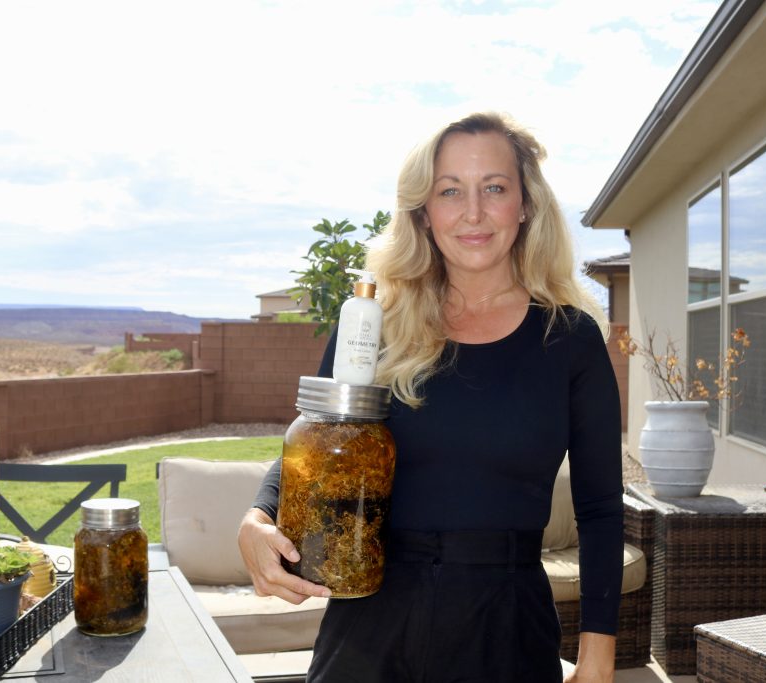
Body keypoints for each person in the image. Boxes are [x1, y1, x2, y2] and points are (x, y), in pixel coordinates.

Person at [238, 111, 623, 683]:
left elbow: (598, 509)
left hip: (507, 628)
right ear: (423, 211)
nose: (473, 212)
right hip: (370, 625)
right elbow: (317, 439)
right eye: (450, 191)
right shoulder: (375, 324)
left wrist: (598, 658)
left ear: (525, 204)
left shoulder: (570, 338)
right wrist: (258, 514)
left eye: (494, 188)